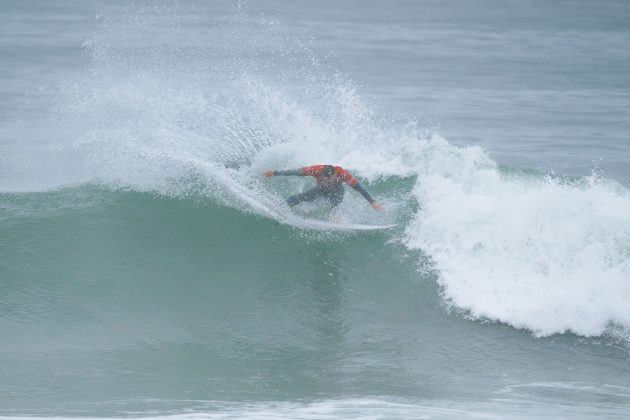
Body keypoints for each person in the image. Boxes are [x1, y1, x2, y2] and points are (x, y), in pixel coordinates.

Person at [263, 164, 383, 211]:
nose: (327, 180)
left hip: (337, 192)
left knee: (336, 192)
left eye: (329, 178)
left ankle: (335, 216)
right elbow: (295, 172)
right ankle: (279, 207)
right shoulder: (315, 170)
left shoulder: (343, 174)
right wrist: (274, 173)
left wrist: (372, 202)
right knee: (299, 197)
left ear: (335, 174)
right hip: (321, 190)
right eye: (325, 177)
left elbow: (359, 188)